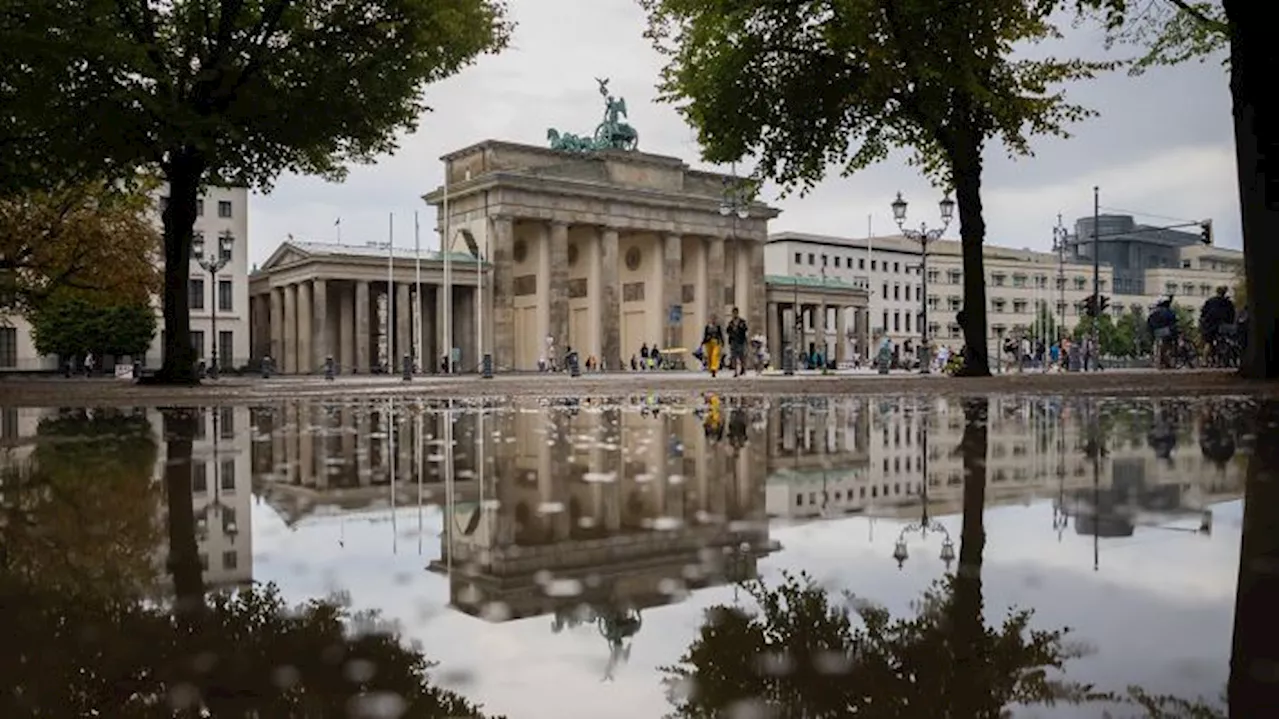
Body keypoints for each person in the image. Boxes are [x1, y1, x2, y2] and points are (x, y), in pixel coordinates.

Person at [1199, 286, 1236, 359]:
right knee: (1225, 340)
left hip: (1210, 325)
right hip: (1224, 325)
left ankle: (1204, 360)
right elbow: (1232, 314)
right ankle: (1223, 358)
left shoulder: (1210, 301)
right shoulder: (1228, 302)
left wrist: (1203, 321)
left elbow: (1203, 313)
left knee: (1208, 343)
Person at [1148, 297, 1178, 368]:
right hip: (1167, 331)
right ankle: (1168, 361)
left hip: (1156, 332)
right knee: (1169, 345)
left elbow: (1149, 322)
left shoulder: (1154, 312)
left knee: (1159, 346)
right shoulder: (1169, 312)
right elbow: (1173, 322)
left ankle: (1160, 361)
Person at [726, 307, 749, 377]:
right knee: (734, 357)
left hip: (741, 341)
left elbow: (746, 329)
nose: (734, 314)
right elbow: (727, 331)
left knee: (741, 356)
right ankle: (735, 371)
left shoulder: (742, 321)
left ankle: (743, 369)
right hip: (733, 341)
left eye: (735, 313)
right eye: (733, 313)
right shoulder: (731, 323)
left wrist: (742, 327)